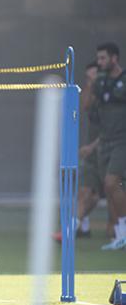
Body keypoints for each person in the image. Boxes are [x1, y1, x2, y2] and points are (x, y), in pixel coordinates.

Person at [54, 62, 102, 242]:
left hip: (109, 148)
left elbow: (115, 128)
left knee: (111, 192)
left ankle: (116, 232)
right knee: (85, 192)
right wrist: (90, 84)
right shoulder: (94, 94)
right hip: (94, 153)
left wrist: (92, 146)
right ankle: (71, 230)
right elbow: (83, 107)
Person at [93, 43, 126, 250]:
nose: (100, 62)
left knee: (112, 182)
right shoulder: (100, 81)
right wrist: (90, 81)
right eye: (98, 58)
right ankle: (119, 235)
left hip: (122, 141)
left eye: (103, 58)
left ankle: (123, 229)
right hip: (104, 142)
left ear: (114, 58)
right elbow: (87, 105)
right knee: (109, 187)